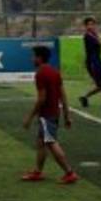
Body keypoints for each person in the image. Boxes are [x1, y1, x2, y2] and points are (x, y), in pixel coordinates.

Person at [22, 45, 78, 184]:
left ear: (39, 58)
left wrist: (29, 117)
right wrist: (67, 115)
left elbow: (42, 98)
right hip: (54, 113)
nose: (31, 59)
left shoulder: (40, 74)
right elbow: (63, 95)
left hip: (46, 114)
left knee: (50, 142)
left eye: (33, 56)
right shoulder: (55, 72)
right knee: (41, 142)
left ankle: (69, 173)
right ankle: (38, 172)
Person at [78, 17, 101, 109]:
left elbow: (98, 42)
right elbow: (99, 43)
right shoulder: (88, 36)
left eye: (93, 24)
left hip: (93, 62)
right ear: (85, 26)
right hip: (94, 62)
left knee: (100, 86)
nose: (91, 26)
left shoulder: (93, 34)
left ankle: (84, 97)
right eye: (89, 24)